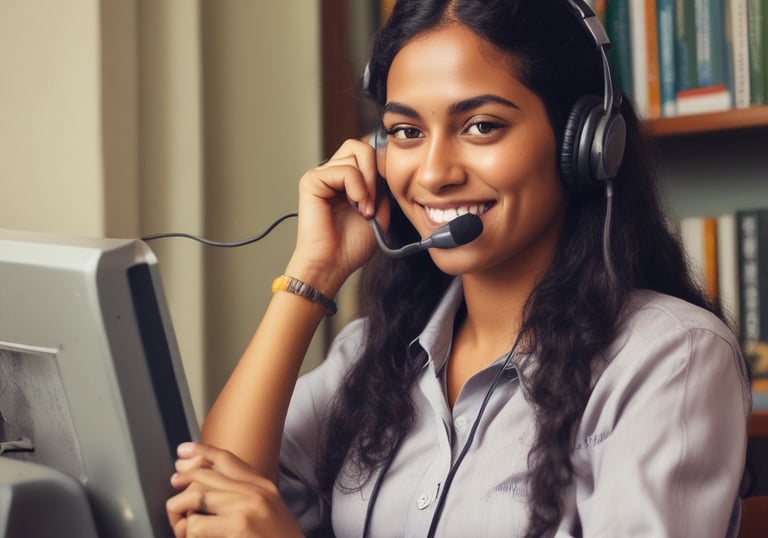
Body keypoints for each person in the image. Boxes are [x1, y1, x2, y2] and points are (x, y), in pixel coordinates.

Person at [166, 1, 752, 536]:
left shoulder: (669, 359)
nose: (433, 172)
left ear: (587, 146)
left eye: (481, 126)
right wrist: (312, 275)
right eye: (406, 132)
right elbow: (211, 500)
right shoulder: (373, 354)